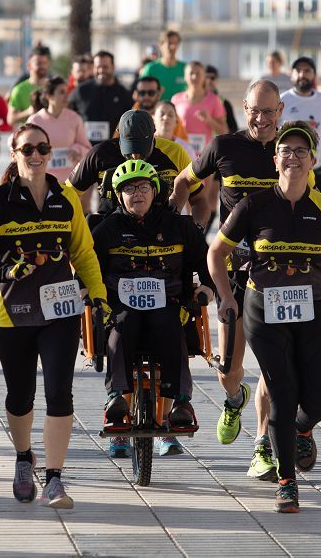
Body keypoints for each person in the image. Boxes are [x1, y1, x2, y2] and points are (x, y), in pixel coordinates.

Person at [208, 122, 321, 512]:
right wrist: (227, 297)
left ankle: (302, 427)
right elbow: (216, 254)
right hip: (263, 309)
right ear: (275, 159)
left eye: (301, 151)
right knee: (282, 392)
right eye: (286, 150)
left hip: (315, 311)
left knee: (318, 401)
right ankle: (286, 481)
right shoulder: (254, 205)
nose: (293, 157)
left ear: (313, 160)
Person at [171, 80, 315, 483]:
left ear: (281, 110)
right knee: (228, 369)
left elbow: (311, 203)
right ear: (245, 109)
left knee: (276, 367)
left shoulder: (291, 151)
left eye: (270, 111)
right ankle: (235, 399)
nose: (262, 119)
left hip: (277, 275)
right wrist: (175, 225)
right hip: (232, 272)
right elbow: (184, 181)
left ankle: (261, 449)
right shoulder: (224, 147)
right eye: (255, 110)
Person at [0, 123, 109, 509]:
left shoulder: (66, 198)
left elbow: (84, 252)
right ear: (14, 154)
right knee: (20, 396)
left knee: (59, 393)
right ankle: (23, 457)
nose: (35, 154)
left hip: (60, 312)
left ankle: (55, 479)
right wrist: (5, 271)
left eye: (42, 147)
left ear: (49, 152)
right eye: (26, 148)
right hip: (14, 316)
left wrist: (98, 296)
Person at [92, 159, 216, 457]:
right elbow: (88, 267)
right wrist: (86, 289)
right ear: (118, 195)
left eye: (144, 187)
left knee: (170, 326)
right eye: (129, 188)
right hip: (122, 307)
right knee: (121, 327)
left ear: (155, 190)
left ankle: (180, 402)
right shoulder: (106, 229)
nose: (138, 193)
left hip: (170, 305)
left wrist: (208, 287)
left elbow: (206, 261)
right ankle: (116, 398)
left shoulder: (180, 226)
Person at [67, 109, 205, 223]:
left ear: (154, 134)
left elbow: (199, 200)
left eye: (141, 149)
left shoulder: (176, 152)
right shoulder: (99, 154)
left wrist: (196, 230)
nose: (135, 156)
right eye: (130, 149)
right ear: (118, 133)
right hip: (111, 233)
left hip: (161, 234)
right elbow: (67, 195)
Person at [280, 56, 321, 199]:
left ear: (314, 75)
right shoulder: (282, 100)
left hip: (317, 170)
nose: (302, 75)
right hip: (289, 172)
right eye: (298, 71)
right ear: (291, 75)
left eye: (307, 71)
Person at [27, 76, 91, 183]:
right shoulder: (34, 121)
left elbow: (87, 149)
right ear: (49, 96)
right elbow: (25, 150)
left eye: (67, 92)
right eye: (61, 92)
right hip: (43, 182)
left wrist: (77, 149)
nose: (66, 96)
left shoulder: (74, 118)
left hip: (71, 182)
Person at [68, 50, 134, 145]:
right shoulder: (81, 91)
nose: (101, 70)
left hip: (113, 151)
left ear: (113, 67)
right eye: (98, 67)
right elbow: (67, 115)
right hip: (85, 151)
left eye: (105, 67)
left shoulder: (124, 94)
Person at [171, 60, 229, 158]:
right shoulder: (176, 99)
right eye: (191, 73)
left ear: (203, 77)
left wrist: (209, 120)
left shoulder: (214, 100)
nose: (194, 77)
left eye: (198, 73)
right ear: (185, 77)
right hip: (180, 154)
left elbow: (224, 130)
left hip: (204, 156)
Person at [7, 44, 52, 127]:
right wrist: (28, 112)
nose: (42, 66)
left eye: (44, 63)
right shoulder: (19, 90)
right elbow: (10, 119)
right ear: (29, 65)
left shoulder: (53, 87)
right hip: (29, 137)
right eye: (38, 63)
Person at [141, 30, 187, 98]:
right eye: (169, 43)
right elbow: (140, 94)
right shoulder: (150, 69)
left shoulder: (186, 69)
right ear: (160, 45)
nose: (172, 47)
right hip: (156, 108)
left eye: (175, 43)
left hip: (179, 108)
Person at [206, 65, 238, 133]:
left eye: (212, 78)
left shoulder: (224, 103)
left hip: (218, 142)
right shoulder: (194, 101)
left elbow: (233, 129)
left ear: (217, 80)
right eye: (206, 77)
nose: (208, 81)